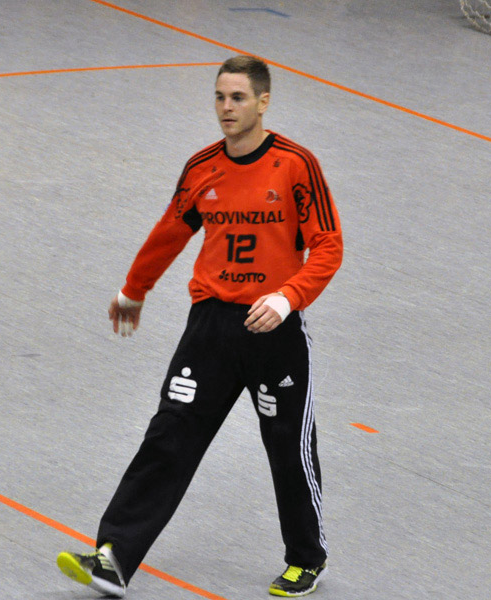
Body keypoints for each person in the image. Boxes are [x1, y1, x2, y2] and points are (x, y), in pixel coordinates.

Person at [57, 54, 343, 598]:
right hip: (210, 326)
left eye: (238, 97)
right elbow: (170, 231)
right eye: (219, 97)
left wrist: (287, 298)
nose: (226, 107)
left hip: (273, 328)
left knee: (288, 444)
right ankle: (114, 556)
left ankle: (307, 558)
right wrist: (133, 290)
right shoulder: (202, 168)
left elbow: (328, 245)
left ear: (263, 102)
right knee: (169, 434)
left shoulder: (295, 165)